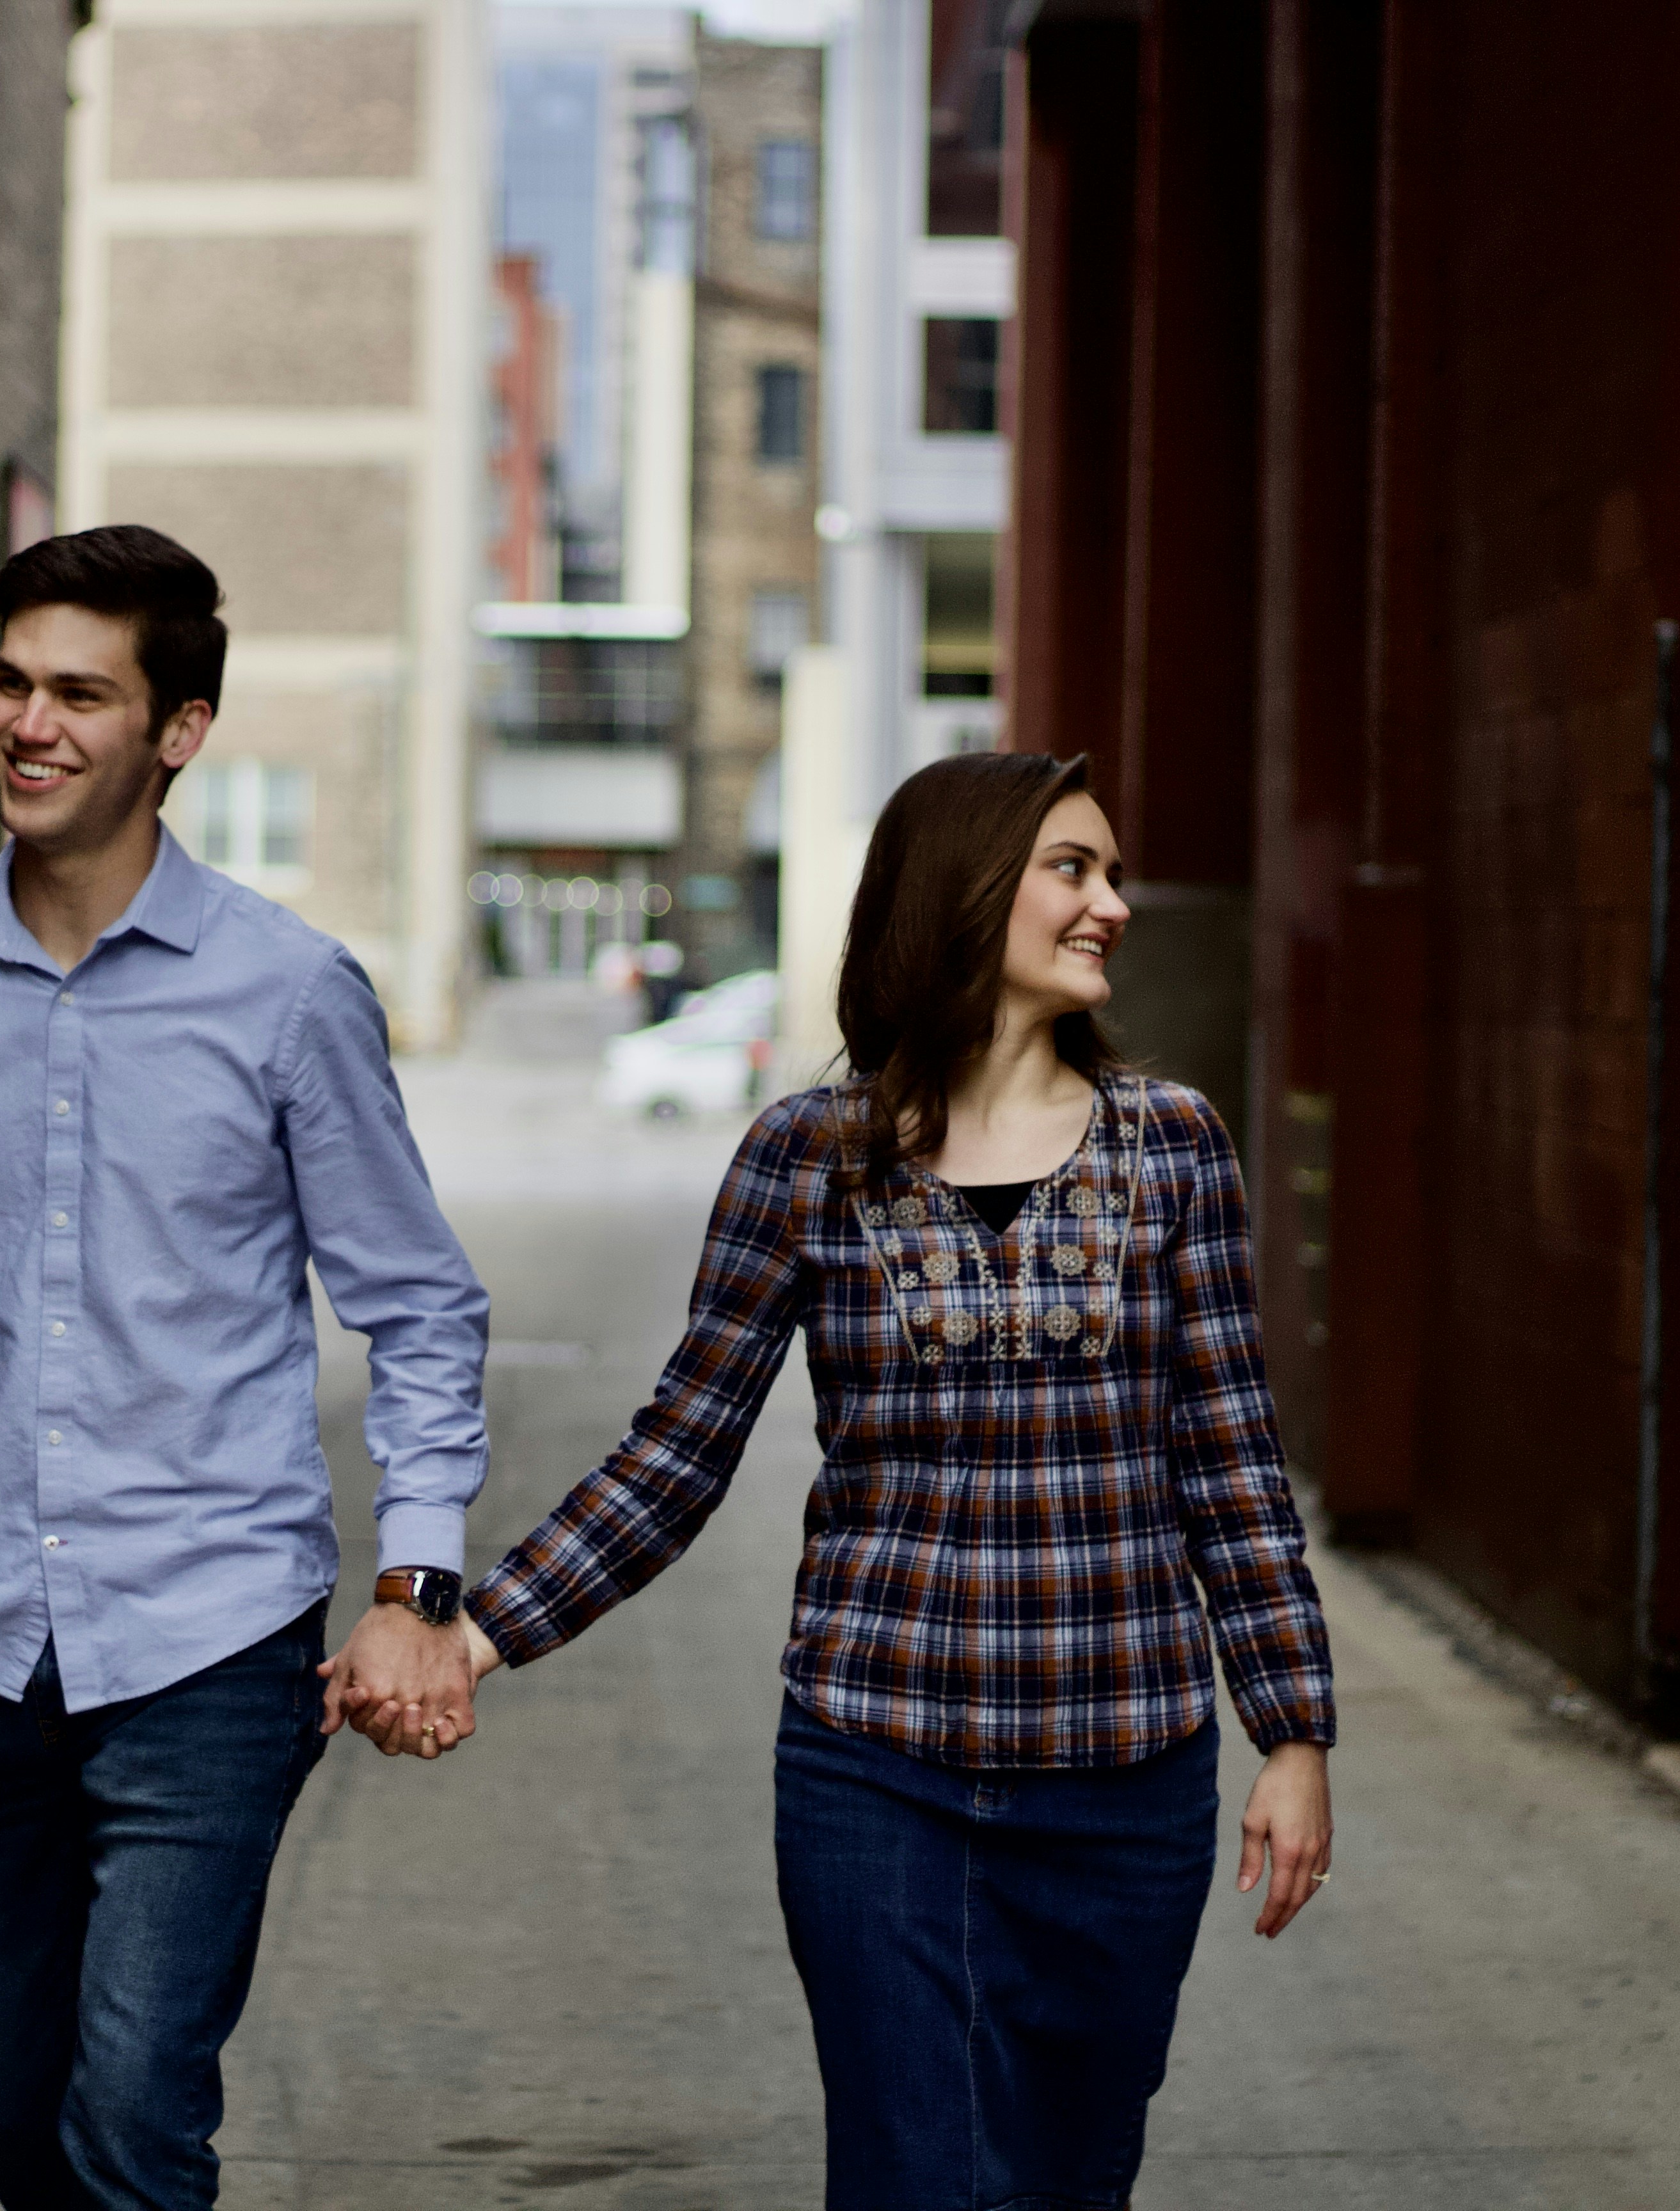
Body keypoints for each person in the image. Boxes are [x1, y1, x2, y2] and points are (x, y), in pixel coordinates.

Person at [356, 750, 1338, 2210]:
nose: (1113, 906)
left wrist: (1295, 1730)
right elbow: (679, 1452)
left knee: (1070, 2182)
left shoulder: (1175, 1148)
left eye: (1114, 874)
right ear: (968, 889)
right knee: (911, 2179)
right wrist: (478, 1631)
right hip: (880, 1765)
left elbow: (1231, 1463)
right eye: (1074, 869)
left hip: (1127, 1780)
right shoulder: (808, 1161)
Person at [0, 525, 491, 2210]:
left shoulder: (291, 993)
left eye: (81, 693)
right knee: (1, 2101)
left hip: (211, 1637)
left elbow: (421, 1307)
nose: (30, 723)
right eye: (14, 684)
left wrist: (417, 1579)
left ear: (177, 732)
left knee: (140, 2116)